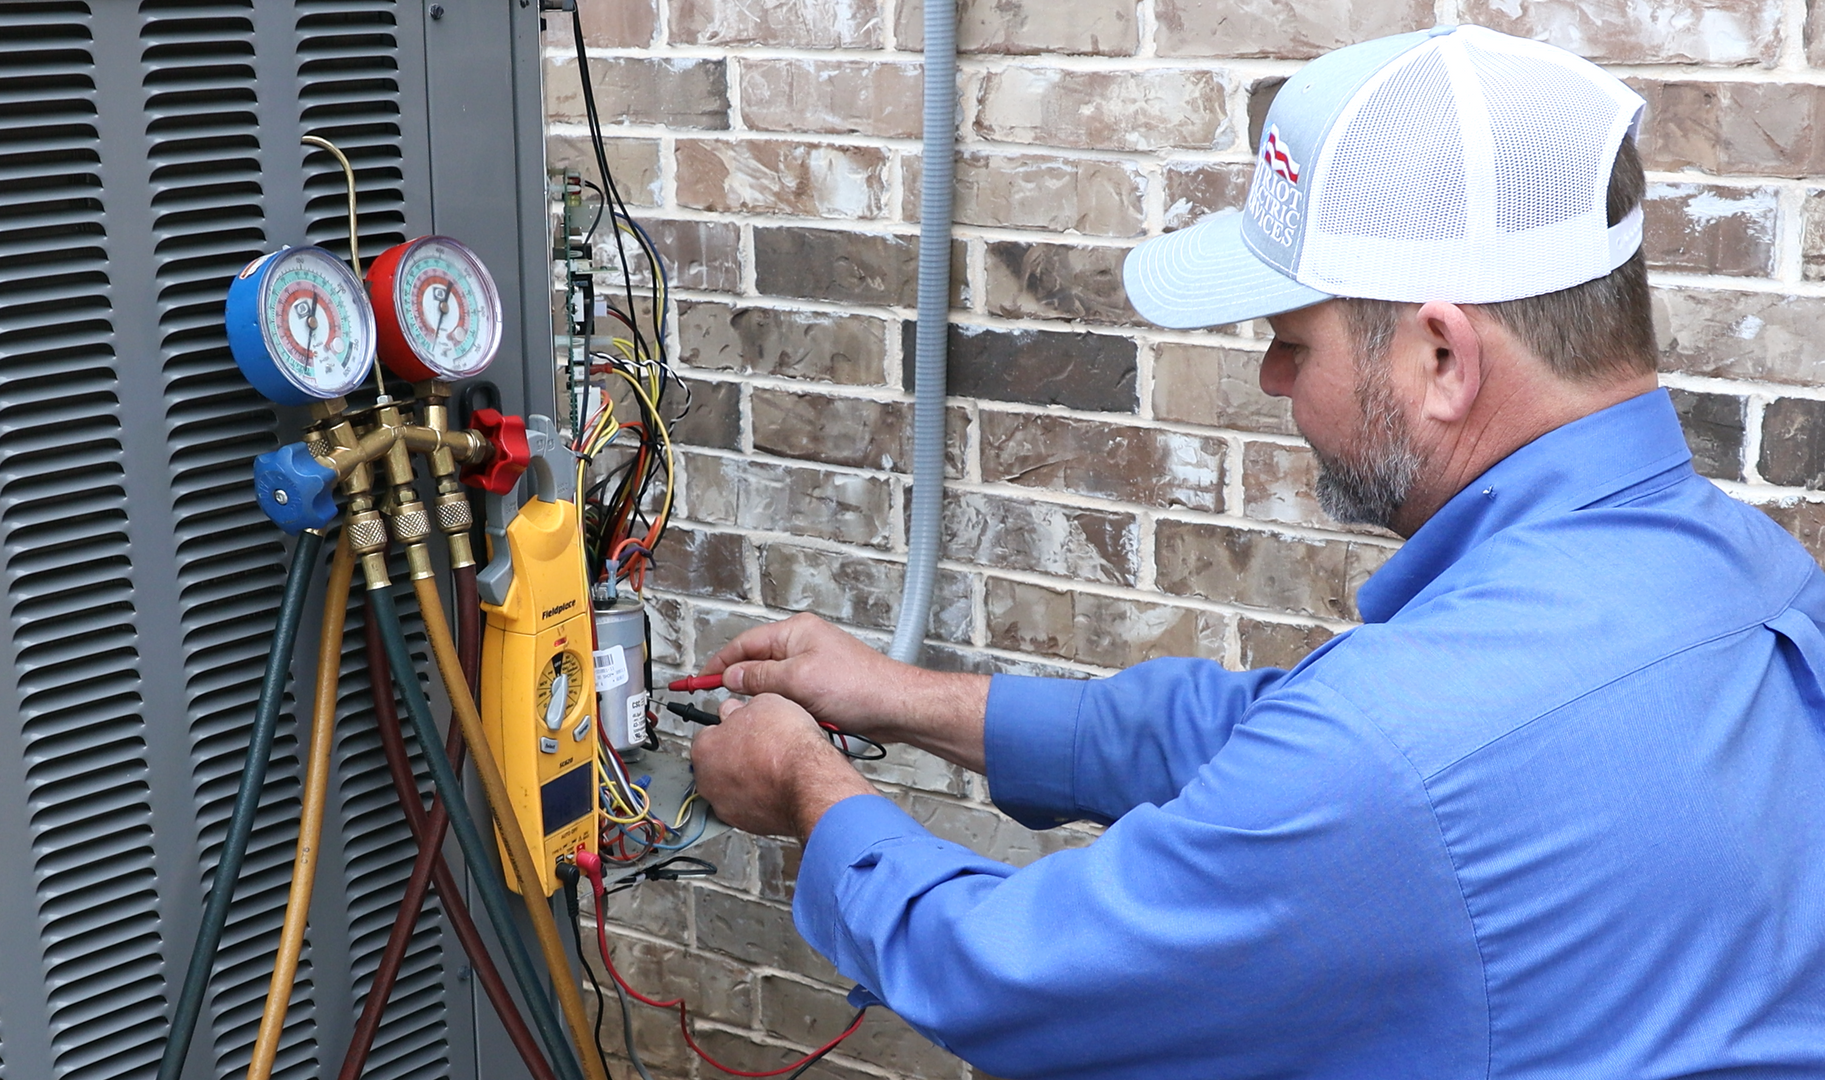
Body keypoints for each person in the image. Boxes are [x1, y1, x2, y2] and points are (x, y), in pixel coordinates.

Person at [688, 25, 1825, 1079]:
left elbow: (1002, 970)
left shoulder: (1398, 751)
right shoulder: (1758, 582)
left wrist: (808, 783)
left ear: (1443, 357)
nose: (1275, 378)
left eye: (1293, 340)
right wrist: (899, 697)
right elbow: (1254, 735)